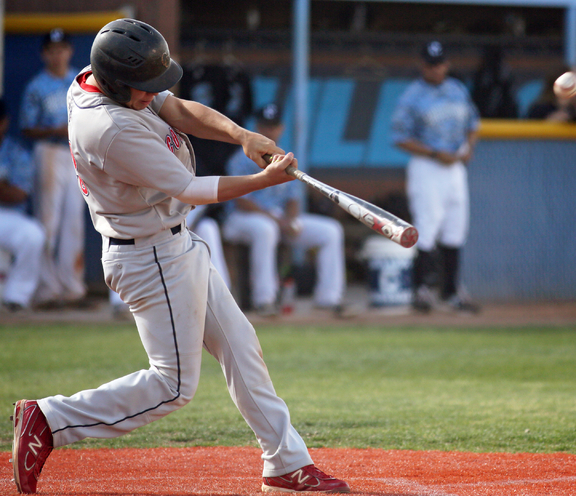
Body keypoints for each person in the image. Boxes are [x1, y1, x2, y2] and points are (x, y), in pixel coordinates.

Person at [11, 19, 349, 495]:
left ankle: (285, 462)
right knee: (173, 387)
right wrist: (262, 182)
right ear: (112, 82)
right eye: (143, 88)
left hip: (172, 241)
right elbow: (191, 188)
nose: (152, 95)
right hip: (147, 257)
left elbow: (177, 108)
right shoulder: (107, 127)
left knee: (240, 345)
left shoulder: (101, 76)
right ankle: (49, 419)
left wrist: (242, 135)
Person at [222, 103, 354, 318]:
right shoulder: (241, 157)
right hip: (241, 219)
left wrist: (291, 221)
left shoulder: (285, 158)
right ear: (256, 127)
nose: (269, 131)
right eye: (265, 126)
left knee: (331, 230)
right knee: (266, 229)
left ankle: (330, 298)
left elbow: (293, 199)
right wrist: (278, 221)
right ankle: (264, 301)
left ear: (281, 128)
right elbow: (241, 201)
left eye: (273, 127)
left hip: (277, 218)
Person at [391, 40, 481, 314]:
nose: (436, 69)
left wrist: (468, 148)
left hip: (454, 168)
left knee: (456, 227)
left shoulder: (457, 89)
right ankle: (423, 290)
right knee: (427, 227)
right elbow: (399, 137)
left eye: (440, 63)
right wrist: (433, 153)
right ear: (423, 66)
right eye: (431, 64)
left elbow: (473, 124)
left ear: (447, 63)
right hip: (427, 166)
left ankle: (452, 291)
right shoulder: (412, 96)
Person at [19, 28, 88, 308]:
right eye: (52, 50)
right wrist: (55, 129)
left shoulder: (80, 82)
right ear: (44, 54)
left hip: (76, 152)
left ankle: (72, 288)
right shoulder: (37, 85)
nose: (57, 54)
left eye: (61, 49)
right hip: (49, 151)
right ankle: (46, 290)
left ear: (69, 51)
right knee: (48, 221)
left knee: (75, 220)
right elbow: (26, 128)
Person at [0, 99, 46, 312]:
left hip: (7, 216)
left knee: (33, 234)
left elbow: (19, 193)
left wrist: (7, 189)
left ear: (4, 123)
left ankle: (16, 297)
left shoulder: (15, 151)